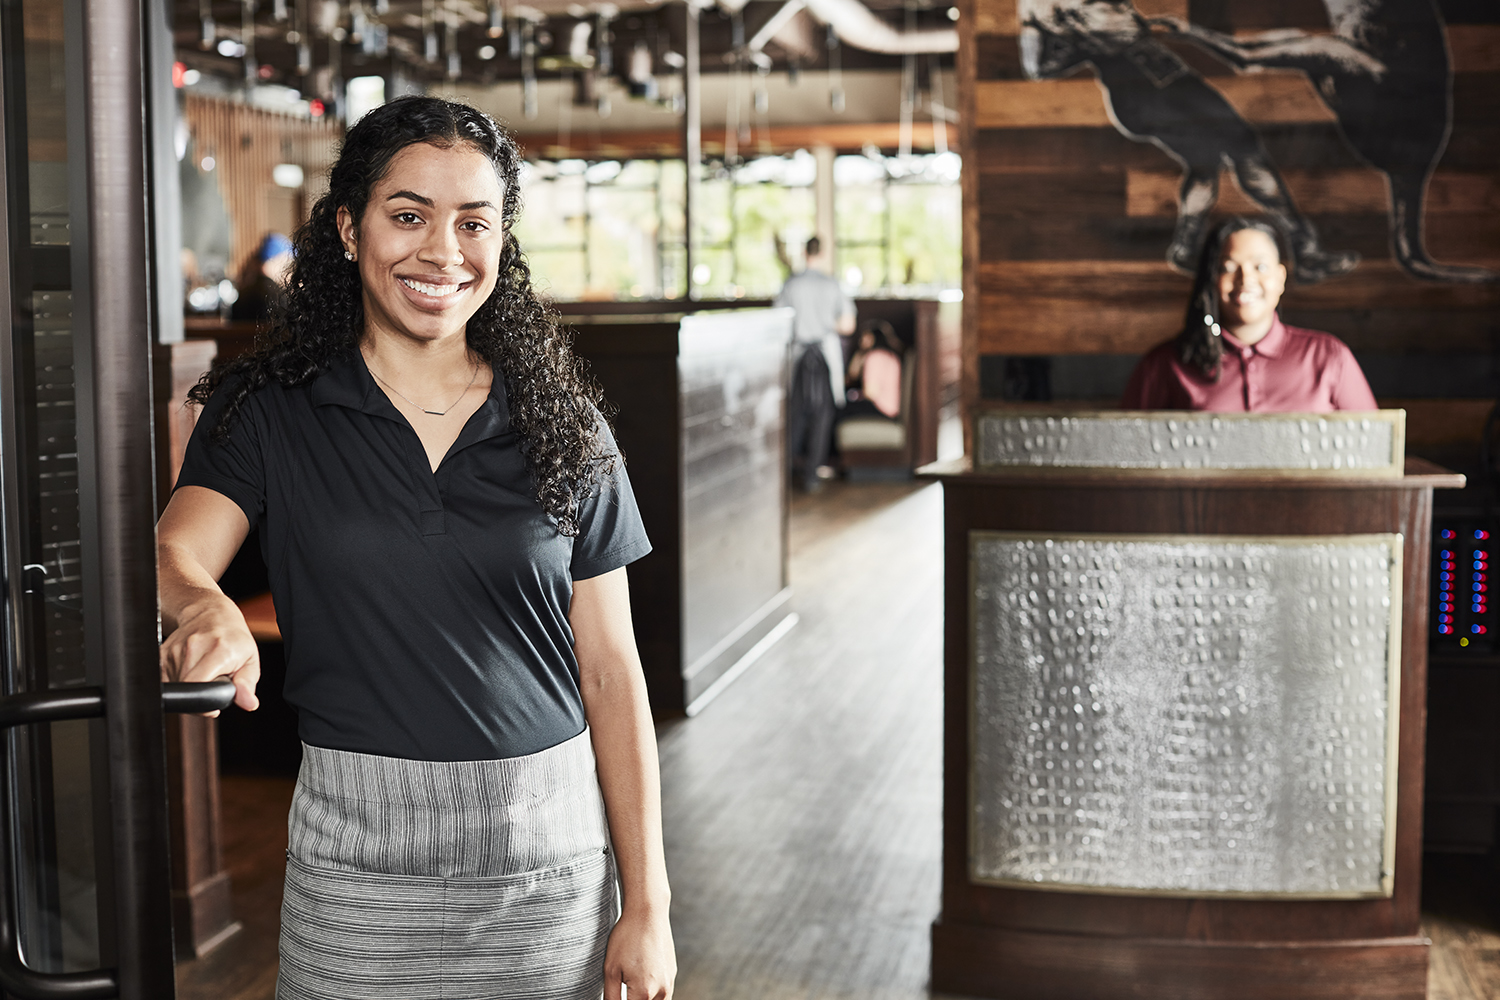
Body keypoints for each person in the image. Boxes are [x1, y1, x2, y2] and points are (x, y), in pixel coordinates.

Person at [157, 96, 675, 1000]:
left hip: (550, 867)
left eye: (474, 222)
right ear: (349, 231)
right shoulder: (266, 412)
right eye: (408, 216)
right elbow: (172, 553)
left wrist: (651, 904)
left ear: (500, 243)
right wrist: (205, 607)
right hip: (354, 866)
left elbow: (612, 674)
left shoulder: (566, 427)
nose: (443, 252)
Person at [1120, 217, 1377, 412]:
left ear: (1280, 279)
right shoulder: (1164, 364)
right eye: (1228, 268)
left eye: (1260, 266)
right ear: (1210, 281)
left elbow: (1374, 453)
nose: (1246, 279)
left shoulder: (1328, 356)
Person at [774, 236, 856, 491]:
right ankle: (812, 476)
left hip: (797, 355)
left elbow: (777, 321)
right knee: (822, 415)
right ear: (822, 253)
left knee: (795, 414)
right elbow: (848, 325)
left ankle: (785, 475)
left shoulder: (791, 285)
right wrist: (825, 322)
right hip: (824, 356)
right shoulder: (832, 285)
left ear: (804, 252)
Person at [230, 231, 295, 322]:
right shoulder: (280, 298)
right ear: (277, 261)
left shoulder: (243, 295)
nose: (289, 273)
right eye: (287, 264)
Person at [844, 320, 903, 419]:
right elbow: (852, 375)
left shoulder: (874, 356)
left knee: (839, 409)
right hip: (893, 409)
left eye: (865, 336)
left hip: (881, 408)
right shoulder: (892, 356)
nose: (861, 341)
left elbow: (870, 393)